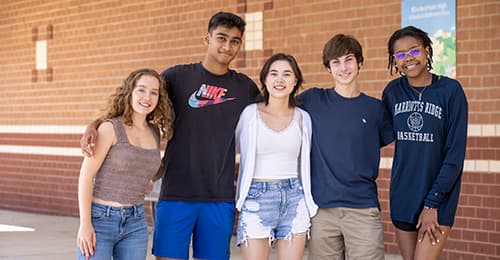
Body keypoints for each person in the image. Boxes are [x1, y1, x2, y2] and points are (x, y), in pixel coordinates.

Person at [80, 12, 260, 260]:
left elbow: (276, 110)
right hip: (176, 193)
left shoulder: (245, 88)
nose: (227, 46)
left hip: (219, 197)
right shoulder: (178, 77)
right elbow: (137, 99)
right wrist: (95, 124)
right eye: (221, 38)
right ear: (206, 39)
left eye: (235, 41)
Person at [296, 34, 394, 260]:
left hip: (362, 208)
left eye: (349, 59)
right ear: (328, 68)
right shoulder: (312, 100)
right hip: (321, 210)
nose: (343, 68)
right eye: (336, 62)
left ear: (360, 62)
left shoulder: (376, 110)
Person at [382, 26, 468, 260]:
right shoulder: (392, 92)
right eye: (399, 54)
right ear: (394, 60)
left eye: (414, 50)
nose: (407, 58)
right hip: (403, 193)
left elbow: (454, 155)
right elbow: (378, 134)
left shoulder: (451, 91)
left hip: (439, 197)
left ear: (427, 51)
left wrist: (432, 204)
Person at [76, 68, 174, 260]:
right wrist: (85, 224)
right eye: (141, 90)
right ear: (129, 92)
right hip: (100, 220)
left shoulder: (154, 132)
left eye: (154, 92)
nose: (147, 97)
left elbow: (150, 171)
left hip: (136, 222)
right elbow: (86, 177)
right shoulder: (110, 128)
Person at [235, 53, 318, 260]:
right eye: (274, 74)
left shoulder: (303, 118)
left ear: (295, 81)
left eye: (287, 74)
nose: (279, 80)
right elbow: (234, 149)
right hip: (256, 198)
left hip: (294, 197)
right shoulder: (250, 115)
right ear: (265, 79)